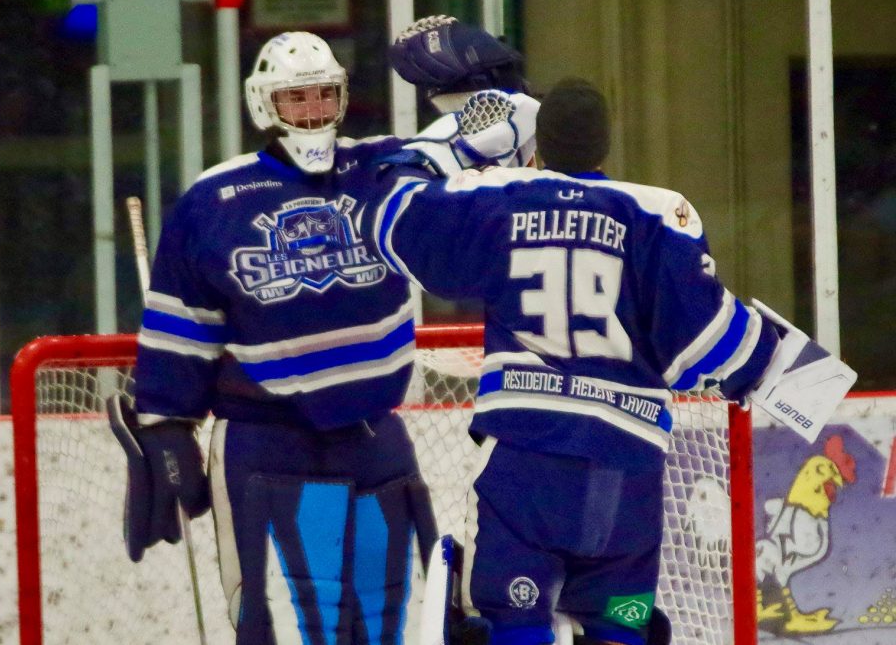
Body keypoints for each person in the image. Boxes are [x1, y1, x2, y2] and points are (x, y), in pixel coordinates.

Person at [364, 78, 852, 645]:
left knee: (512, 618)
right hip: (625, 475)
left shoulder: (499, 197)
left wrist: (450, 146)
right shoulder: (656, 214)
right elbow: (710, 343)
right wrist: (784, 370)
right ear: (604, 145)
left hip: (525, 462)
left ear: (538, 144)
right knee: (621, 621)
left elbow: (392, 215)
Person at [107, 28, 538, 645]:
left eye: (323, 95)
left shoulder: (387, 170)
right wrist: (167, 427)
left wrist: (485, 85)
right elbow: (181, 327)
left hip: (375, 440)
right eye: (295, 97)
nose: (312, 111)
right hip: (265, 445)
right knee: (283, 627)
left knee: (399, 623)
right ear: (264, 104)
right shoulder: (213, 201)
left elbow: (508, 138)